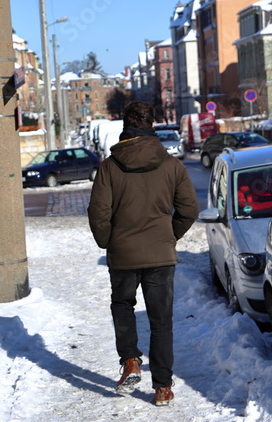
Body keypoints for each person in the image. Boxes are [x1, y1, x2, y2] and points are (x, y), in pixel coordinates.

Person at [88, 101, 199, 406]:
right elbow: (190, 209)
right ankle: (162, 387)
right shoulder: (172, 165)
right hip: (160, 255)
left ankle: (131, 360)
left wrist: (108, 241)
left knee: (122, 305)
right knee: (161, 320)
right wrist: (168, 236)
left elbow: (98, 212)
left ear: (126, 125)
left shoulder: (110, 167)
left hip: (123, 253)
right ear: (152, 125)